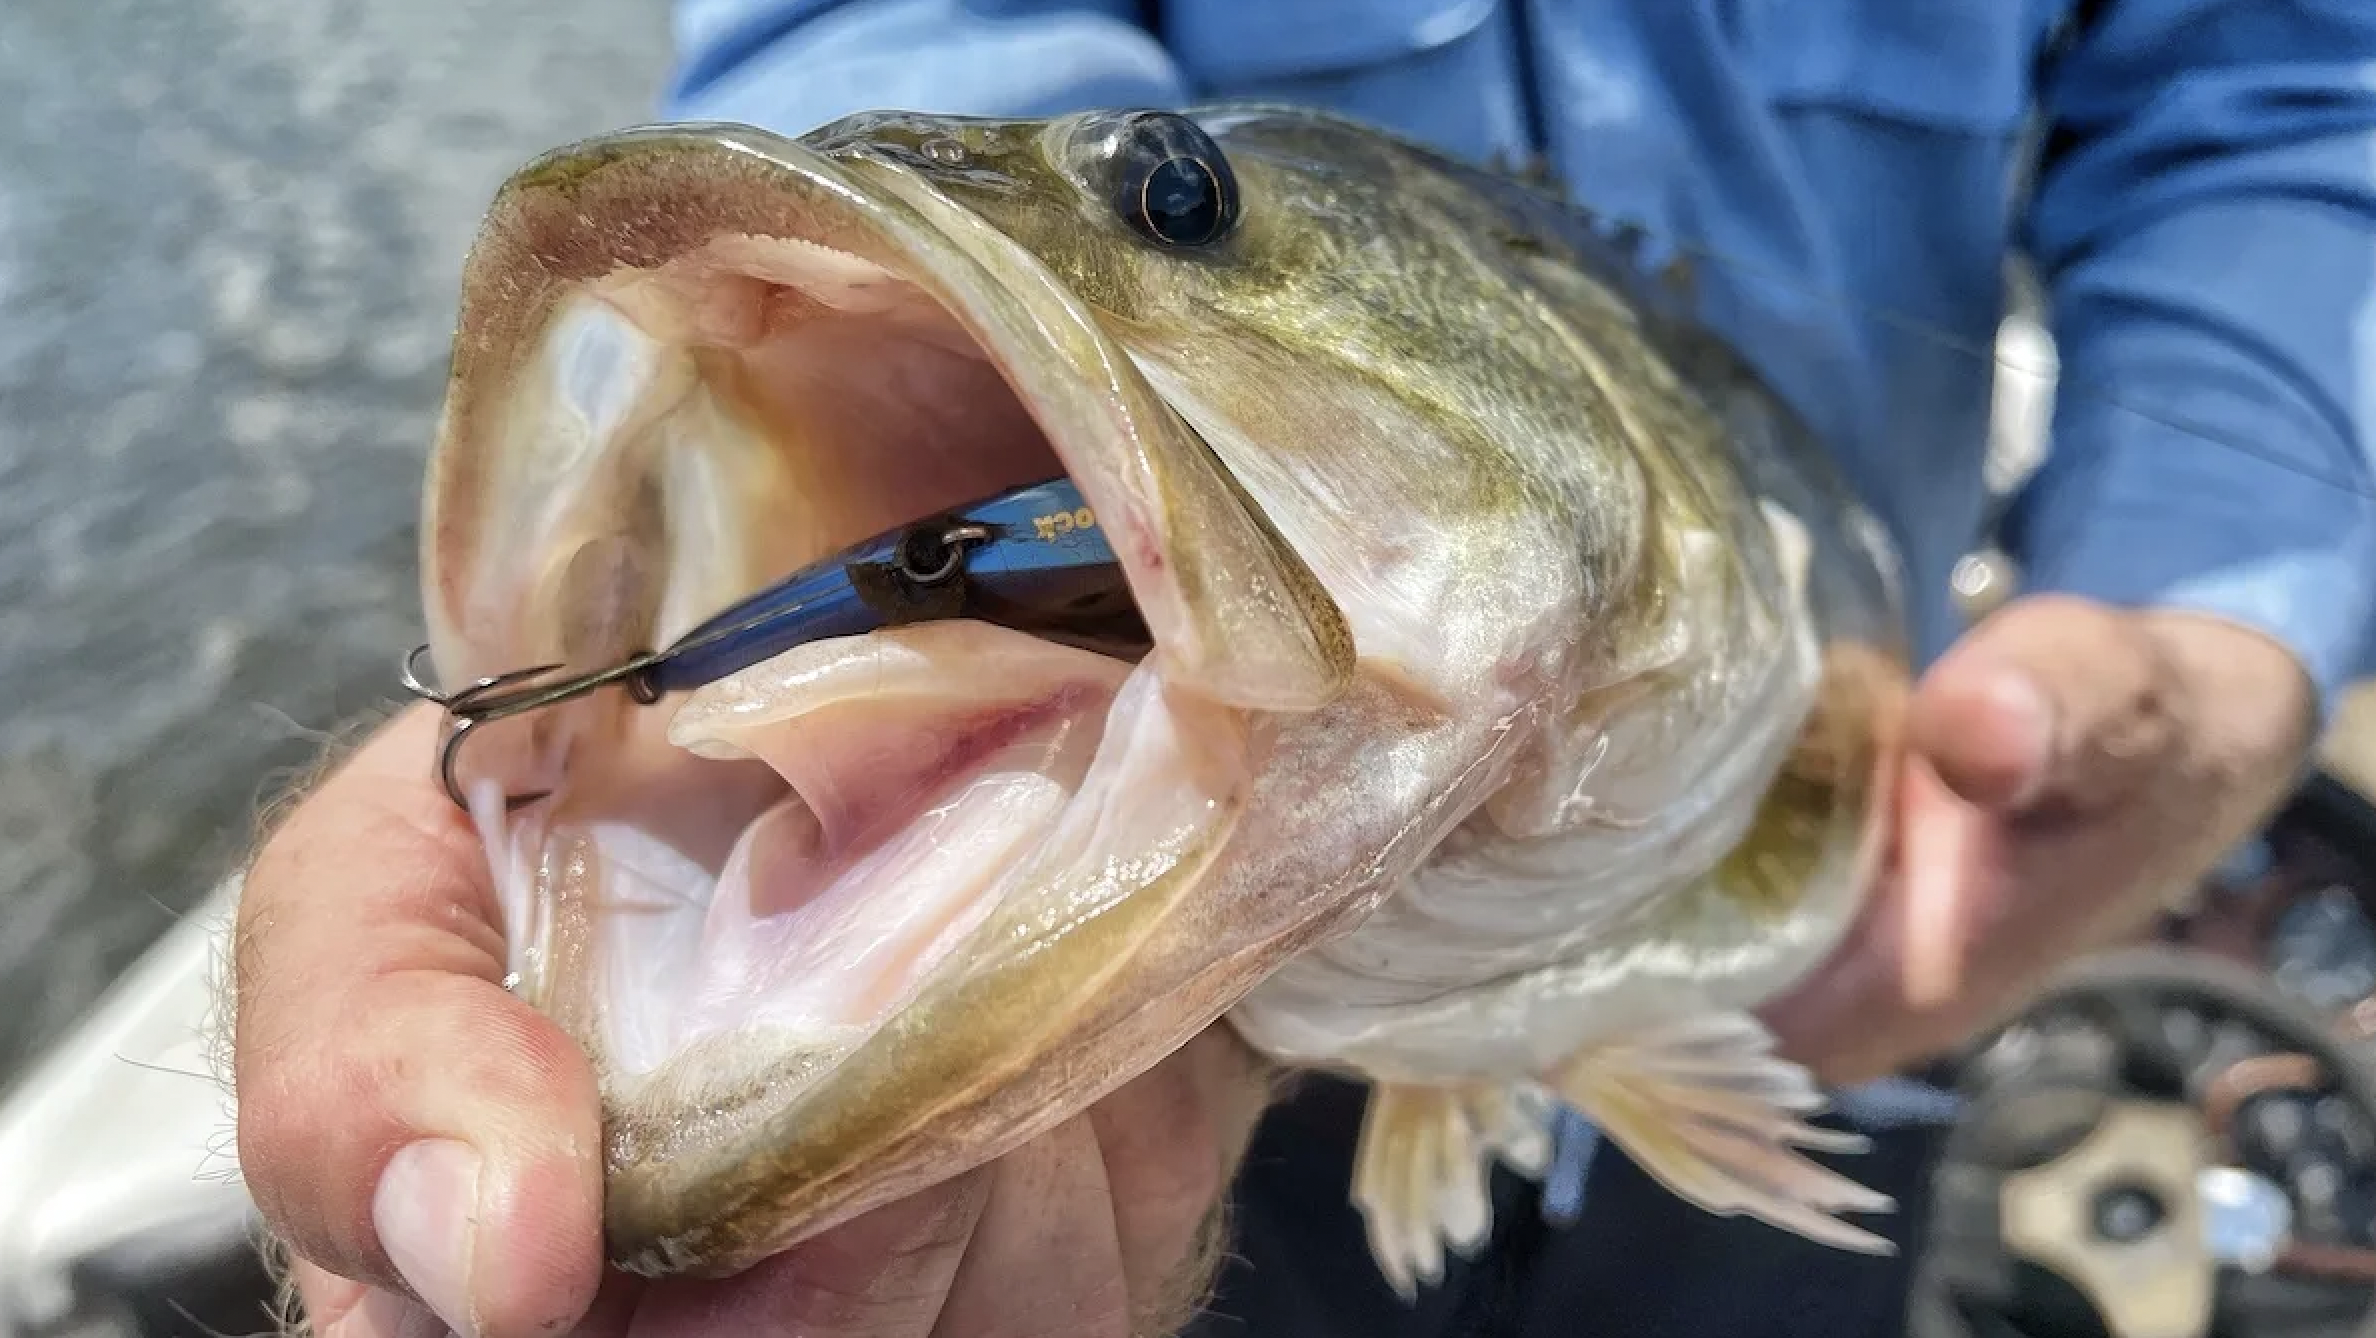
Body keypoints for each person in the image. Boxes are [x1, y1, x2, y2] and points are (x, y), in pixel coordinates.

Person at [233, 2, 2376, 1335]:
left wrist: (2219, 605)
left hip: (1903, 935)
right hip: (1185, 1119)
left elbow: (2284, 84)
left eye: (1172, 210)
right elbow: (878, 70)